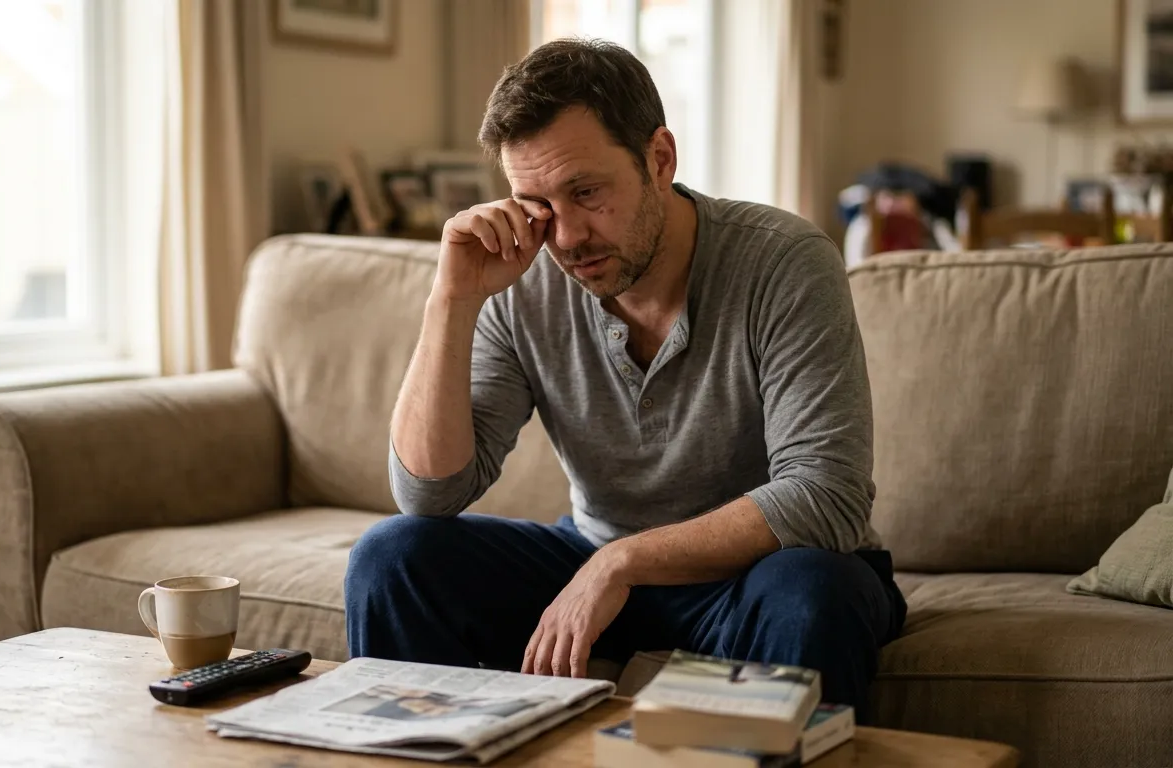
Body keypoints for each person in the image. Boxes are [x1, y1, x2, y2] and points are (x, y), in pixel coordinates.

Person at [343, 38, 906, 716]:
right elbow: (428, 495)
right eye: (539, 204)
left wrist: (620, 563)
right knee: (394, 556)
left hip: (756, 577)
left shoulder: (783, 262)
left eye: (587, 192)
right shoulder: (522, 283)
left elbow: (828, 496)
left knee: (814, 589)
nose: (568, 237)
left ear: (660, 159)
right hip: (592, 556)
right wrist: (453, 300)